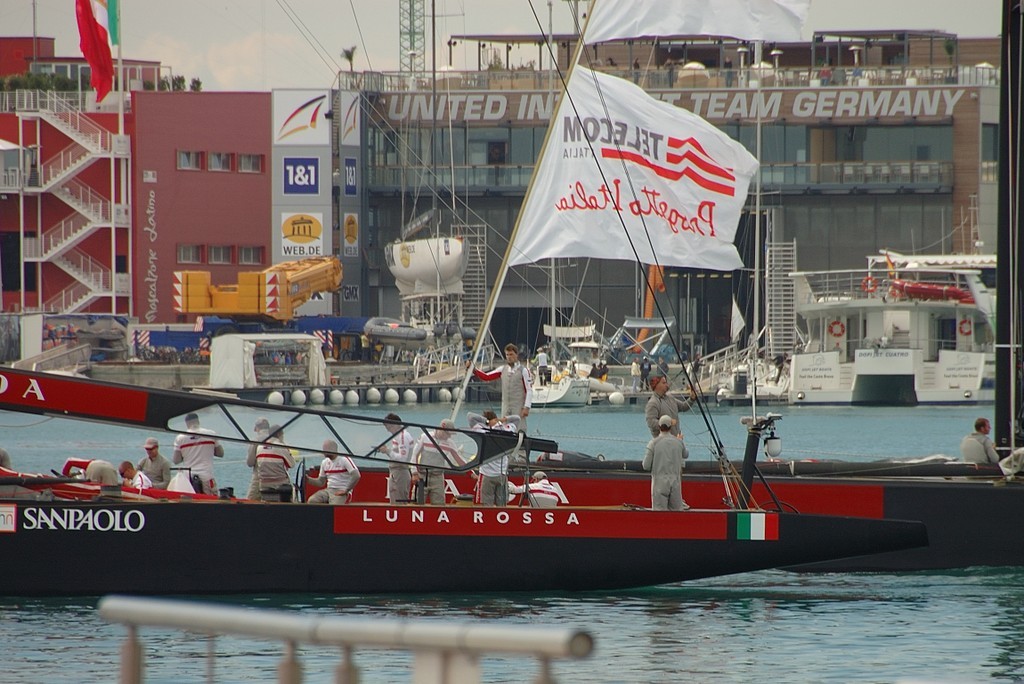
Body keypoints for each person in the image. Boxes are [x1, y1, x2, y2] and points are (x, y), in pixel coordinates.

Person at [470, 343, 533, 432]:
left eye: (511, 354)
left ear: (516, 355)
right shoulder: (502, 369)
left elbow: (529, 390)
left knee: (519, 427)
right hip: (506, 405)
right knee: (505, 427)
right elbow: (487, 377)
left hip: (518, 406)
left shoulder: (524, 371)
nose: (509, 357)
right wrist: (474, 370)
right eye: (507, 355)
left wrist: (526, 407)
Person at [468, 410, 520, 506]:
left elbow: (470, 416)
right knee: (502, 504)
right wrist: (503, 419)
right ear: (495, 418)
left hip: (486, 474)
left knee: (486, 504)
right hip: (502, 474)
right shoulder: (507, 429)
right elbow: (517, 419)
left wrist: (487, 422)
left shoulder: (482, 430)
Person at [642, 415, 689, 511]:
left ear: (659, 427)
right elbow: (686, 454)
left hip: (659, 483)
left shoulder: (653, 443)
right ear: (670, 427)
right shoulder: (678, 442)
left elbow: (645, 466)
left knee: (659, 514)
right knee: (677, 514)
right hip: (675, 483)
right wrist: (680, 441)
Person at [173, 412, 224, 495]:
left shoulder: (180, 438)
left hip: (189, 479)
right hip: (207, 477)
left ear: (187, 423)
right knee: (211, 502)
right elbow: (220, 453)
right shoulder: (211, 434)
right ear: (198, 421)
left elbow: (176, 460)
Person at [412, 419, 460, 505]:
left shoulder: (450, 443)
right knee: (417, 503)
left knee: (439, 505)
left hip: (438, 477)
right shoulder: (425, 436)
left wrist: (470, 471)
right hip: (422, 476)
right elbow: (415, 454)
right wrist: (414, 473)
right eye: (448, 434)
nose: (449, 437)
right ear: (441, 429)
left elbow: (459, 459)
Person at [307, 439, 361, 504]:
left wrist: (346, 490)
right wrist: (308, 479)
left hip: (341, 490)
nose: (323, 451)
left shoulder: (344, 459)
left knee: (334, 505)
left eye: (326, 449)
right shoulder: (324, 462)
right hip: (328, 490)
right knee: (312, 500)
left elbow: (356, 475)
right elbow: (321, 482)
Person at [379, 412, 416, 504]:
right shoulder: (398, 436)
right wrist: (387, 451)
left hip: (400, 472)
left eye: (389, 427)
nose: (388, 430)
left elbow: (403, 458)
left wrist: (387, 451)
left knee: (399, 503)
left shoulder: (403, 437)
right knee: (394, 501)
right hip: (395, 472)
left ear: (395, 425)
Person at [254, 424, 295, 502]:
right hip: (280, 485)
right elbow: (291, 465)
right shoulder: (281, 447)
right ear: (279, 434)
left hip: (263, 485)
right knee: (292, 488)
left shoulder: (259, 447)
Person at [245, 417, 272, 499]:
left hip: (259, 476)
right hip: (276, 478)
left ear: (257, 428)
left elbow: (250, 462)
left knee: (249, 502)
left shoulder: (256, 440)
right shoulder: (276, 440)